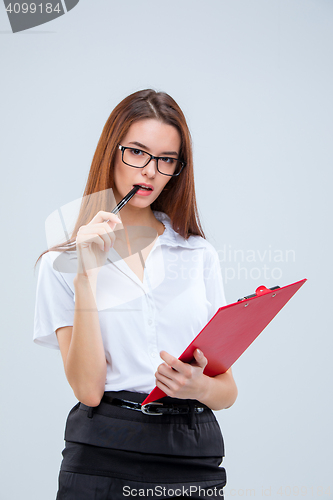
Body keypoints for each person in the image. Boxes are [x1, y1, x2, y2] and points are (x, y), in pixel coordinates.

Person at [33, 89, 238, 500]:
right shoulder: (59, 264)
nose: (149, 172)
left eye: (166, 160)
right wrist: (85, 277)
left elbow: (227, 389)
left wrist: (196, 387)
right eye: (137, 153)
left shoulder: (197, 254)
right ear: (112, 151)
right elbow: (89, 390)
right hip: (104, 452)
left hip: (191, 450)